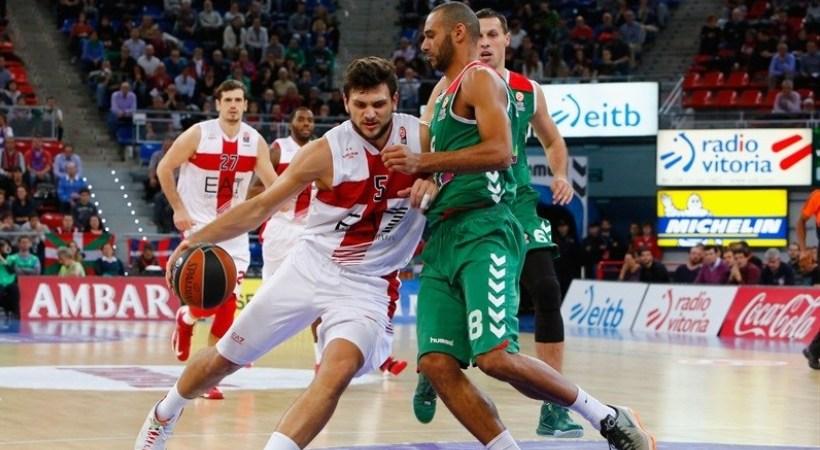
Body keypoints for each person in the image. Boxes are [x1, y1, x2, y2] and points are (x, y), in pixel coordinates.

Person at [382, 4, 654, 450]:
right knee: (434, 363)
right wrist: (424, 175)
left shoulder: (480, 79)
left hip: (486, 226)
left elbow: (502, 152)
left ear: (458, 33)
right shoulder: (441, 94)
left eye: (430, 35)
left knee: (496, 356)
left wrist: (424, 162)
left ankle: (606, 416)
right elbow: (430, 162)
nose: (422, 44)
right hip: (444, 235)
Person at [135, 56, 435, 450]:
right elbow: (261, 206)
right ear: (345, 102)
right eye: (360, 104)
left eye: (379, 104)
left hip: (368, 285)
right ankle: (165, 411)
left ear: (395, 99)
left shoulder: (424, 139)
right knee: (226, 357)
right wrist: (196, 239)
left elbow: (474, 161)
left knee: (335, 372)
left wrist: (435, 175)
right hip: (309, 266)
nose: (369, 114)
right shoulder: (325, 152)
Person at [411, 8, 583, 438]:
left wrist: (560, 174)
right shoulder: (448, 87)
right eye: (481, 34)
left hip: (515, 198)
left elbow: (552, 139)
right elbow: (429, 143)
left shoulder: (527, 90)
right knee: (460, 306)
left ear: (507, 40)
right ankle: (436, 364)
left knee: (546, 288)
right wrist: (427, 173)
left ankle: (554, 407)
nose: (485, 42)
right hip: (467, 199)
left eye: (493, 35)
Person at [157, 79, 276, 400]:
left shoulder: (255, 141)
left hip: (235, 229)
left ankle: (209, 377)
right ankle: (188, 317)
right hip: (199, 227)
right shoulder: (199, 134)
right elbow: (165, 168)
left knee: (227, 302)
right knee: (205, 299)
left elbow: (274, 184)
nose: (234, 105)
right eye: (228, 100)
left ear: (246, 104)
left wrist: (290, 198)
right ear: (218, 104)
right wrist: (178, 208)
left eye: (239, 100)